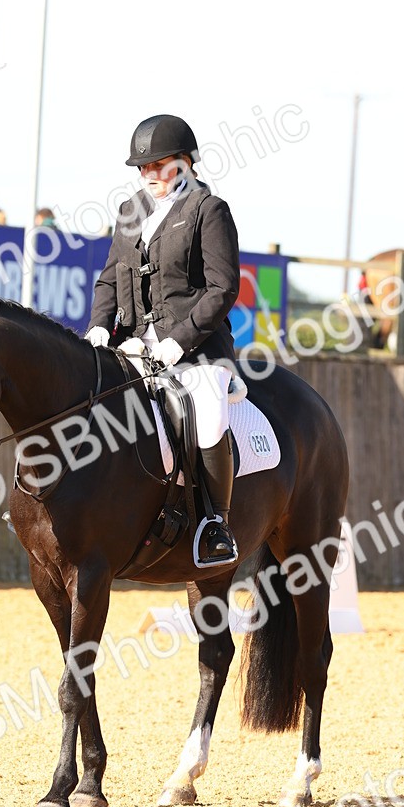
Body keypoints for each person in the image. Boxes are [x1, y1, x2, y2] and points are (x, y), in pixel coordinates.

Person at [85, 113, 241, 566]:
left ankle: (216, 524)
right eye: (142, 168)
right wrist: (100, 324)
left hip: (196, 349)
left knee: (208, 414)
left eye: (158, 165)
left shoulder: (208, 210)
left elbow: (223, 288)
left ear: (186, 163)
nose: (148, 175)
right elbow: (111, 278)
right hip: (134, 343)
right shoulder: (131, 210)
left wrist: (179, 340)